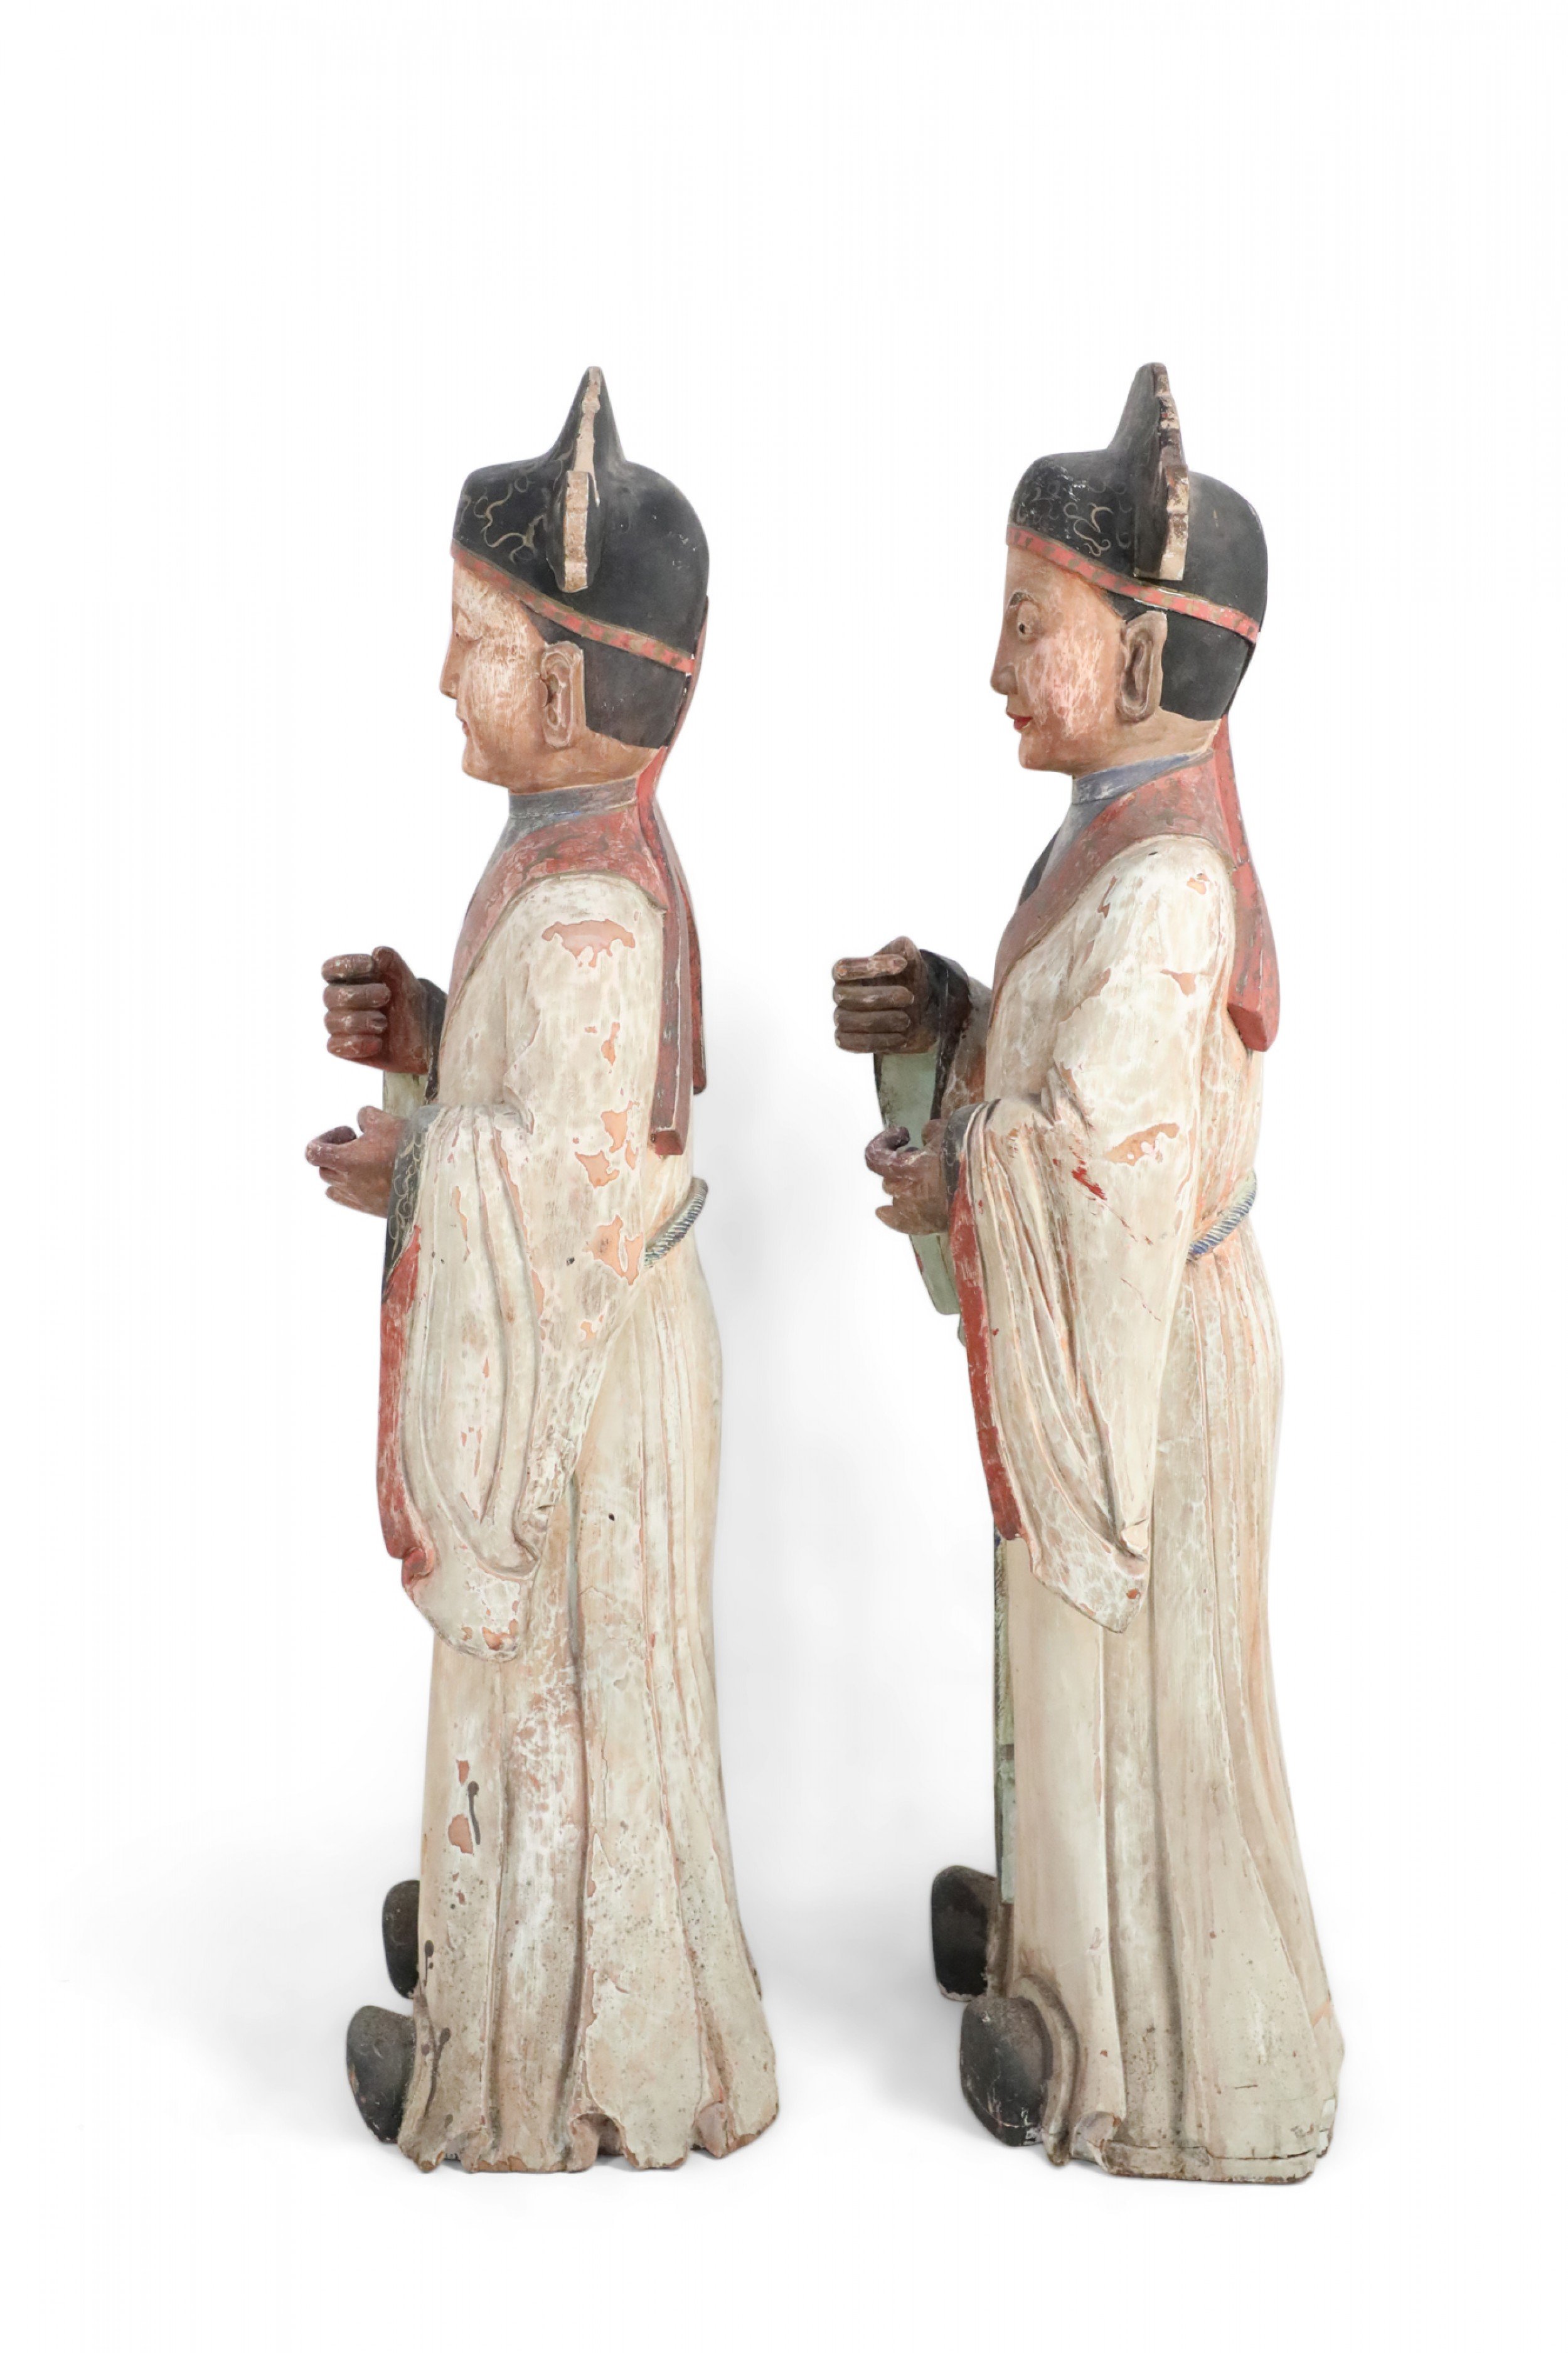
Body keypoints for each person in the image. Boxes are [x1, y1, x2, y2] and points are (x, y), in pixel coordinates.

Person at [833, 365, 1340, 2182]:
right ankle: (1056, 1932)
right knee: (1067, 1658)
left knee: (1153, 1689)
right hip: (1106, 1325)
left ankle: (1154, 2055)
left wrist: (960, 1169)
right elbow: (1063, 1085)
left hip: (1153, 1349)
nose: (995, 665)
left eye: (1027, 624)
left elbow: (1103, 1162)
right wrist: (951, 1029)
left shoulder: (1169, 888)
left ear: (1137, 659)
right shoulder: (1107, 840)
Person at [307, 370, 777, 2172]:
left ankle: (550, 2066)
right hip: (589, 1347)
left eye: (478, 641)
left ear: (571, 687)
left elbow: (559, 1195)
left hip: (587, 1385)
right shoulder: (563, 861)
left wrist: (420, 1168)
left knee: (575, 1701)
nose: (445, 677)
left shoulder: (590, 911)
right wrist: (434, 1042)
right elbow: (547, 1121)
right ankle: (502, 1954)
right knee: (560, 1708)